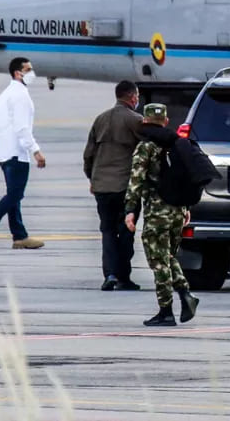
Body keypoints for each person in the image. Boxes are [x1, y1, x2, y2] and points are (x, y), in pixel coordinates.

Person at [123, 104, 199, 326]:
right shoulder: (176, 146)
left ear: (145, 121)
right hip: (177, 210)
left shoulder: (145, 147)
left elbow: (135, 180)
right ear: (165, 122)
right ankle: (185, 294)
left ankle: (166, 311)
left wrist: (130, 210)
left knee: (158, 262)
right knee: (169, 257)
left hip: (157, 211)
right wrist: (185, 208)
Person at [0, 57, 46, 251]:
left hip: (3, 151)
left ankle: (19, 236)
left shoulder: (4, 95)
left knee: (14, 195)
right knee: (15, 194)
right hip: (17, 152)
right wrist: (35, 150)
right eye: (27, 70)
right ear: (17, 73)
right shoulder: (20, 96)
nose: (31, 73)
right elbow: (22, 128)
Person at [83, 80, 145, 291]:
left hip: (102, 186)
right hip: (125, 187)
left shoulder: (100, 119)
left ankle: (109, 274)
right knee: (126, 232)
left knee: (107, 231)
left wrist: (92, 179)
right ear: (133, 97)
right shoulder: (136, 120)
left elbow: (88, 154)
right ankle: (123, 276)